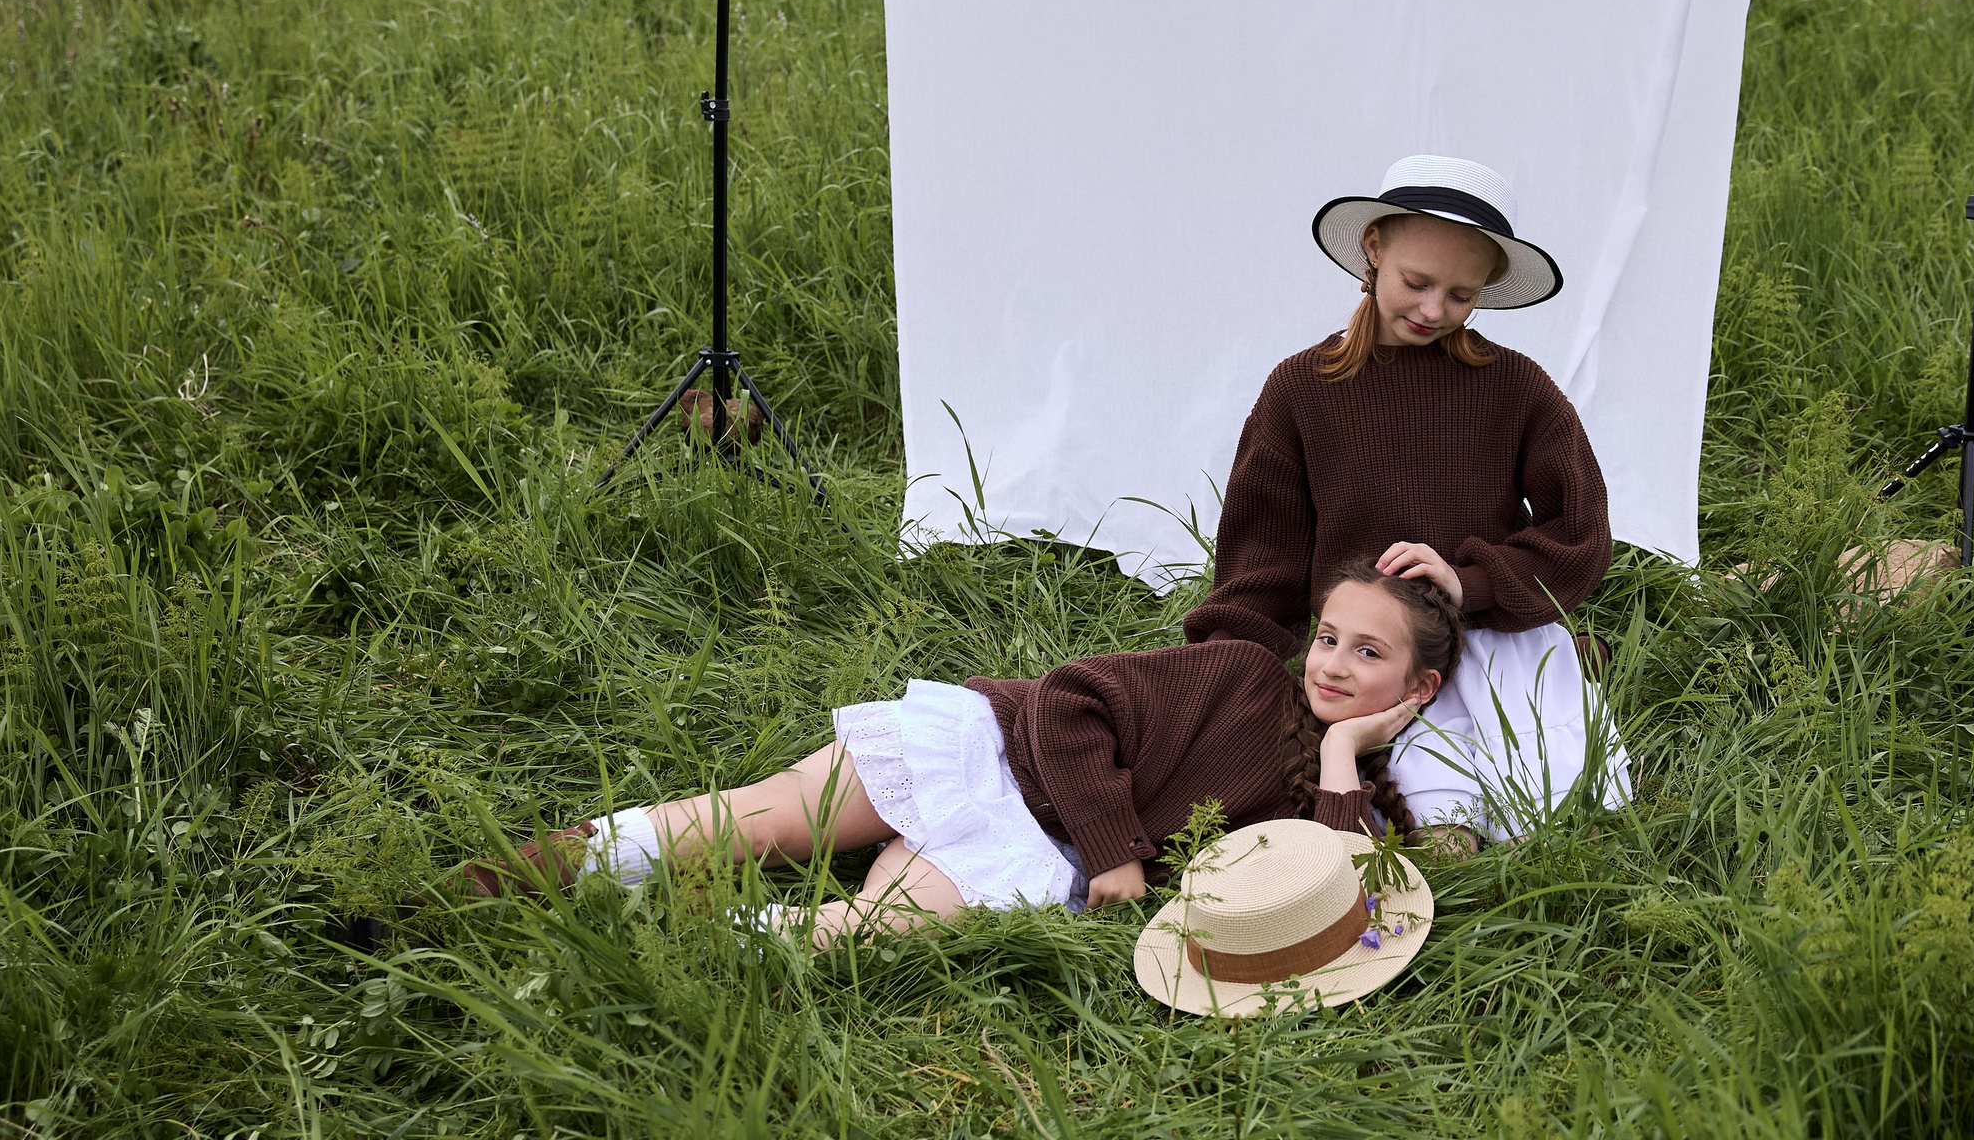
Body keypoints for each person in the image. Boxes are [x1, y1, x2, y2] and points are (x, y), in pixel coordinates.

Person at [457, 562, 1462, 944]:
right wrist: (1116, 846)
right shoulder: (1240, 672)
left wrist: (1342, 759)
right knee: (766, 819)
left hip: (1031, 850)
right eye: (1329, 635)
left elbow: (1337, 903)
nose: (1330, 663)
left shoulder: (1347, 808)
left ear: (1417, 690)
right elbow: (1074, 698)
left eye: (1367, 655)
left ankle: (639, 953)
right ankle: (497, 883)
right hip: (997, 749)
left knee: (854, 933)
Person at [1185, 154, 1627, 842]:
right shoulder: (1301, 389)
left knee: (1543, 792)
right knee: (1318, 800)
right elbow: (1261, 555)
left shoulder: (1516, 389)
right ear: (1374, 248)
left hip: (1476, 638)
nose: (1433, 310)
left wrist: (1471, 582)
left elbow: (1582, 531)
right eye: (1416, 282)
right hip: (1358, 655)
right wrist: (1236, 671)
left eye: (1460, 294)